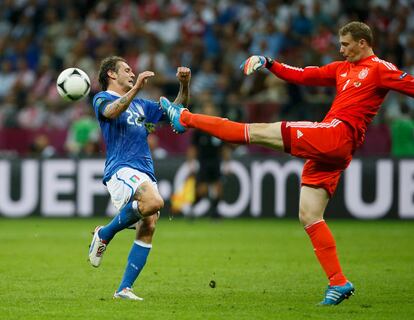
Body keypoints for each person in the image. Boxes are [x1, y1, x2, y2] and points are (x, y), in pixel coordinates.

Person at [159, 21, 414, 305]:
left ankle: (185, 118)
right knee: (309, 215)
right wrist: (268, 62)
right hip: (332, 148)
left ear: (363, 43)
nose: (341, 50)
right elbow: (302, 76)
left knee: (255, 131)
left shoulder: (381, 69)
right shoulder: (342, 69)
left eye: (345, 44)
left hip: (337, 135)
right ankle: (338, 282)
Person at [88, 56, 190, 300]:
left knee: (150, 223)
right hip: (121, 168)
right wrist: (135, 89)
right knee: (155, 202)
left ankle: (124, 289)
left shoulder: (143, 105)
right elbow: (112, 112)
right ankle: (105, 234)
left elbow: (175, 110)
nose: (132, 73)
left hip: (145, 170)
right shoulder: (102, 98)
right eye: (126, 69)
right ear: (111, 75)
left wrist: (184, 85)